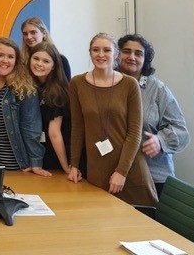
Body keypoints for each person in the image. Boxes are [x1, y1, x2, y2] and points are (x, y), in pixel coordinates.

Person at [67, 33, 157, 206]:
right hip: (97, 169)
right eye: (96, 50)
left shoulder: (130, 84)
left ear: (116, 54)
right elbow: (78, 128)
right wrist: (74, 165)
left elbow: (134, 133)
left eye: (106, 50)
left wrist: (121, 172)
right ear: (90, 53)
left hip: (130, 169)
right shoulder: (77, 84)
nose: (101, 54)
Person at [118, 34, 190, 196]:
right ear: (117, 54)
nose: (132, 57)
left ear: (145, 59)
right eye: (126, 51)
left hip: (153, 175)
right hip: (116, 174)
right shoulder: (108, 84)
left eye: (138, 53)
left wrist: (160, 140)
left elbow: (181, 131)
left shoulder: (158, 89)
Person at [0, 38, 49, 176]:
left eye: (10, 57)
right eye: (0, 55)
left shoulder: (25, 88)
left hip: (14, 160)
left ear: (16, 61)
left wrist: (35, 162)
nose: (5, 61)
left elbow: (31, 129)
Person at [28, 42, 75, 173]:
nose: (39, 64)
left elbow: (54, 133)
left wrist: (66, 167)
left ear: (54, 66)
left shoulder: (58, 92)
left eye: (46, 61)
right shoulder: (31, 86)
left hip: (57, 153)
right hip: (38, 150)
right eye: (36, 58)